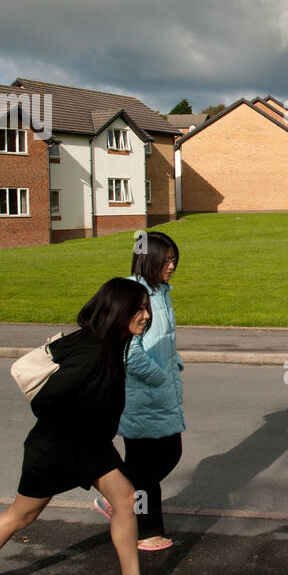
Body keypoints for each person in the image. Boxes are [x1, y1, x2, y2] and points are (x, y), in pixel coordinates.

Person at [0, 279, 175, 575]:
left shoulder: (110, 345)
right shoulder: (91, 354)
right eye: (138, 308)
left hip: (90, 448)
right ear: (117, 311)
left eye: (146, 308)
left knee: (124, 497)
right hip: (56, 451)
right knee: (22, 516)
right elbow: (45, 403)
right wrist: (82, 424)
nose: (146, 316)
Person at [94, 232, 184, 552]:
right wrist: (159, 377)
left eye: (174, 258)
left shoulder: (161, 292)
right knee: (149, 465)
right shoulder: (134, 294)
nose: (172, 265)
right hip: (140, 395)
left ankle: (121, 501)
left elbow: (162, 340)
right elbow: (127, 351)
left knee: (164, 456)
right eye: (166, 259)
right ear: (148, 259)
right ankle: (143, 530)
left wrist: (175, 363)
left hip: (161, 391)